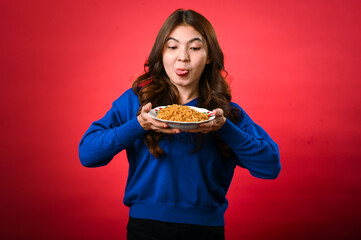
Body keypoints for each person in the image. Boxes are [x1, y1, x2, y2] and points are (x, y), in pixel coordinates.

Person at [79, 9, 281, 240]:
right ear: (161, 52)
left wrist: (223, 128)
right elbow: (88, 154)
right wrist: (139, 124)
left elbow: (270, 167)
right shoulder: (136, 101)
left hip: (206, 230)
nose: (182, 57)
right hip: (145, 226)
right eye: (172, 47)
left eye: (194, 48)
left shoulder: (225, 114)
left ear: (209, 56)